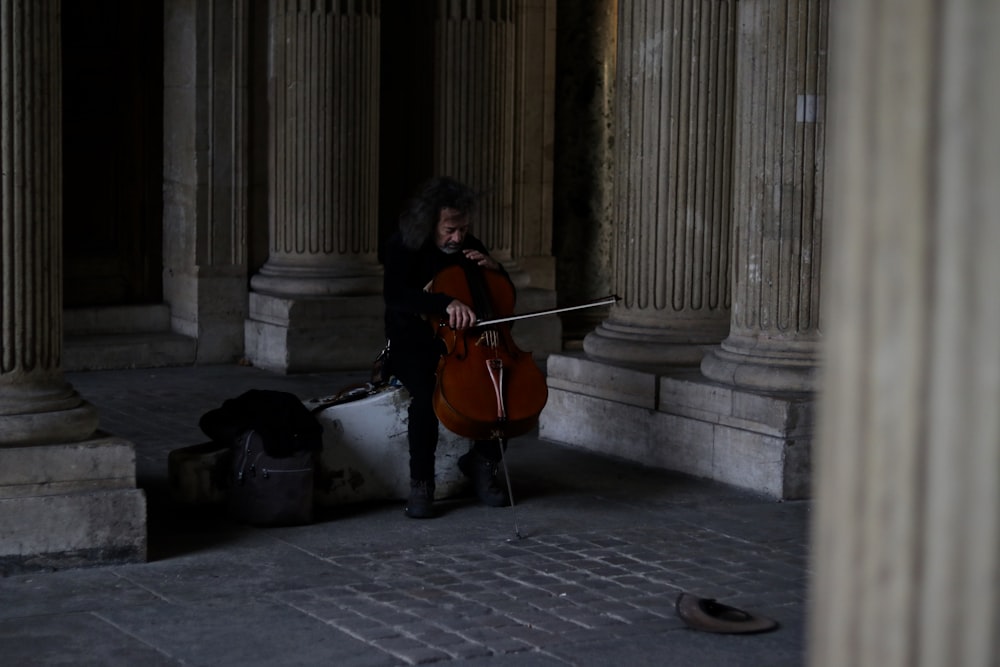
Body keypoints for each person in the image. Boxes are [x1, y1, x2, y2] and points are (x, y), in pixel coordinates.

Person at [383, 177, 511, 519]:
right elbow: (396, 296)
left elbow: (502, 296)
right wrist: (445, 302)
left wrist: (497, 270)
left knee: (502, 391)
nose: (458, 238)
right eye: (450, 229)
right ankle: (422, 484)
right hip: (415, 343)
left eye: (463, 228)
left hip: (466, 344)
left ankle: (483, 464)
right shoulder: (404, 245)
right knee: (427, 398)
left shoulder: (470, 245)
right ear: (430, 223)